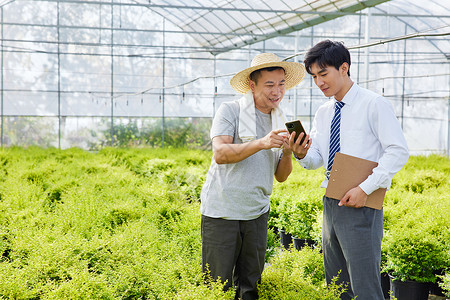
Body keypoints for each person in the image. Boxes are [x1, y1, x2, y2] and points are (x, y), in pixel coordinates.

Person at [289, 40, 409, 300]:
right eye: (314, 77)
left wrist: (364, 189)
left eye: (324, 74)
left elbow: (398, 151)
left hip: (361, 204)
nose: (319, 82)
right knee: (337, 284)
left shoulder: (373, 104)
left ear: (344, 68)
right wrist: (300, 153)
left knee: (364, 286)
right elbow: (317, 158)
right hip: (331, 200)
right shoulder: (324, 111)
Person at [200, 53, 306, 299]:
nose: (277, 91)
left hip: (256, 213)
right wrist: (262, 143)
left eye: (281, 84)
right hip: (222, 212)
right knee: (217, 286)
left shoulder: (282, 120)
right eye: (269, 84)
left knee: (249, 286)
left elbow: (280, 176)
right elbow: (221, 154)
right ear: (252, 84)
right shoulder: (231, 111)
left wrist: (288, 152)